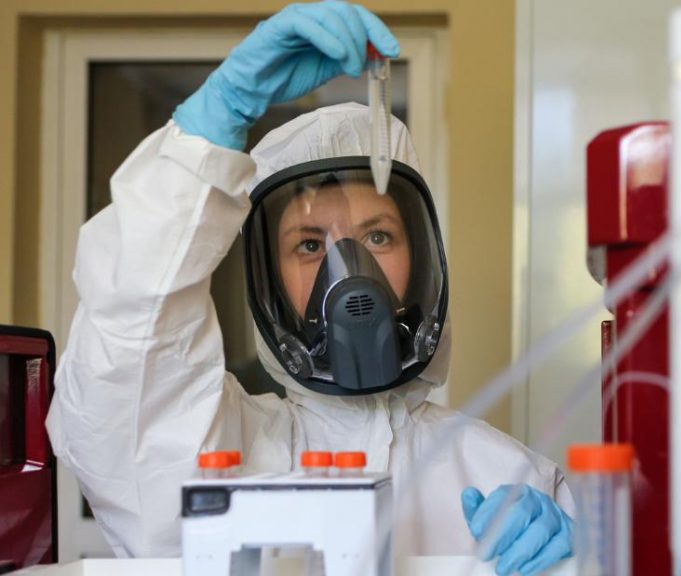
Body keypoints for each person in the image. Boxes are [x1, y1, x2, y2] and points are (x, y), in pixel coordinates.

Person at [44, 3, 573, 575]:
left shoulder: (507, 478)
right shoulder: (223, 455)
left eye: (377, 235)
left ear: (421, 260)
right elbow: (126, 378)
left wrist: (583, 555)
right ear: (271, 280)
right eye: (310, 245)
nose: (349, 272)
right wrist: (209, 133)